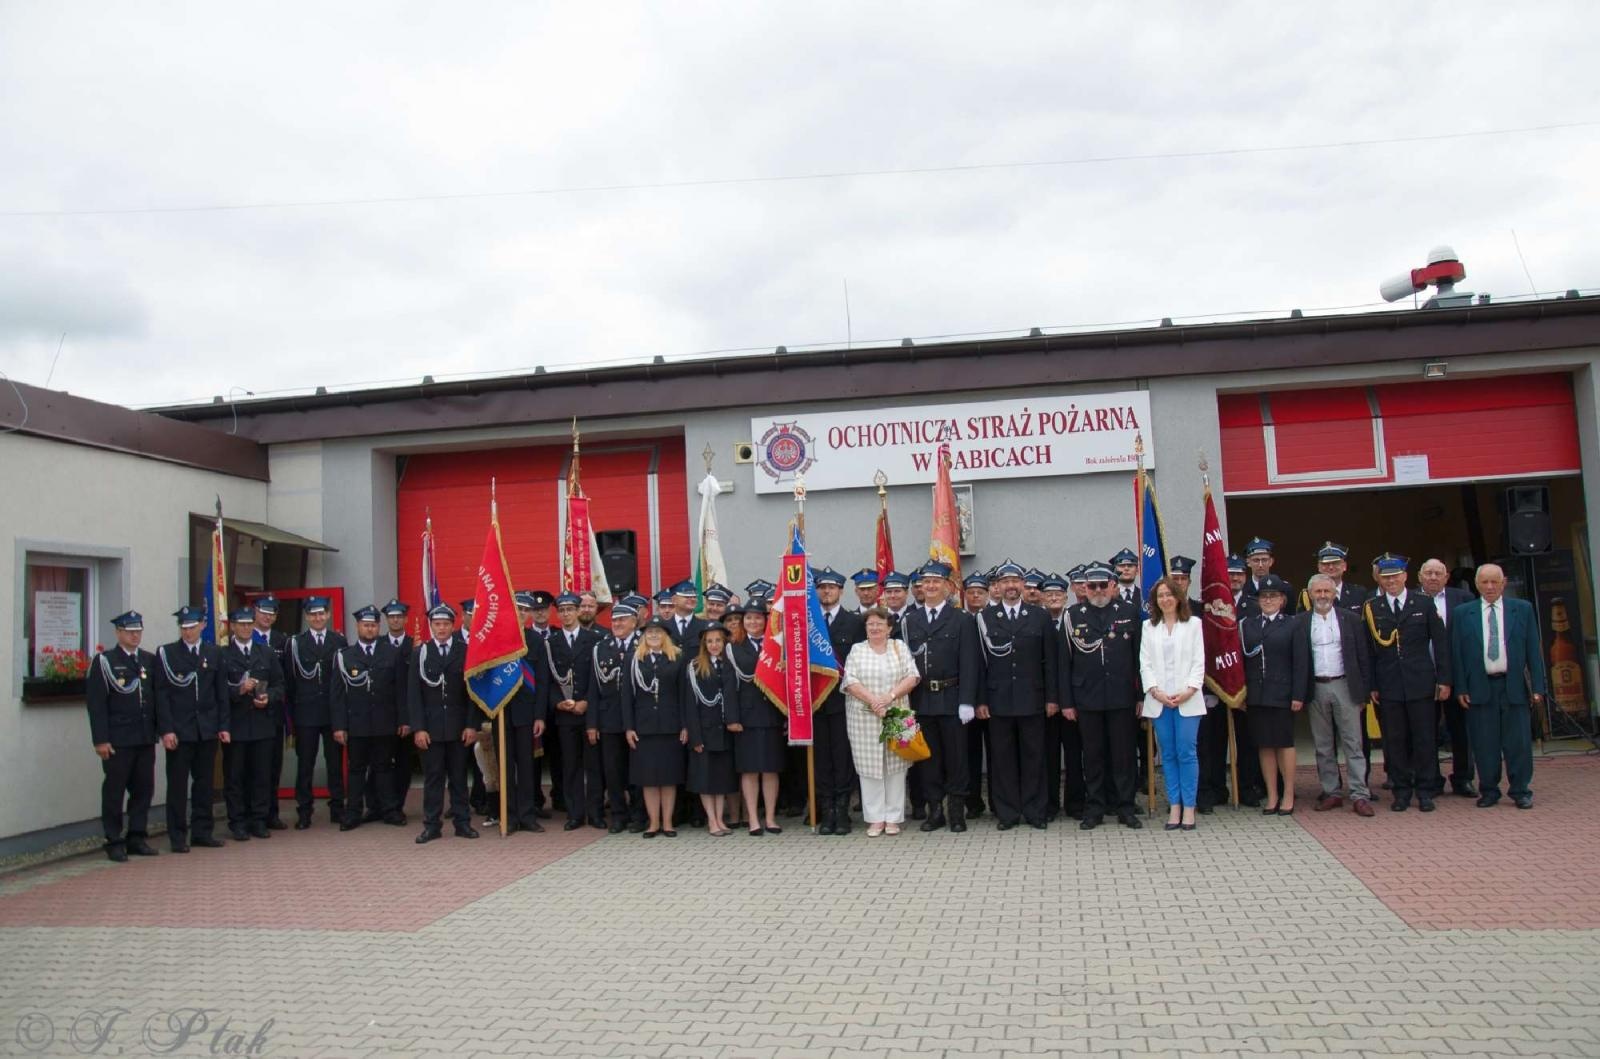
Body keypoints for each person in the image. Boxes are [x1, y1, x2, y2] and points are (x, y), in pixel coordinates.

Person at [1452, 564, 1546, 809]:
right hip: (1480, 687)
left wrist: (1538, 686)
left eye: (1495, 582)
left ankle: (1520, 790)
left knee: (1519, 742)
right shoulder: (1463, 613)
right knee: (1484, 742)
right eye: (1484, 582)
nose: (1490, 587)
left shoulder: (1522, 610)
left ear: (1504, 583)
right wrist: (1461, 687)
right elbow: (1457, 654)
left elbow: (1533, 651)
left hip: (1512, 685)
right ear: (1476, 584)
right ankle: (1489, 790)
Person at [975, 559, 1060, 830]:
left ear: (1023, 585)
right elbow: (979, 664)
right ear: (997, 587)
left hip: (1032, 699)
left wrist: (1052, 698)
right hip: (998, 700)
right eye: (1005, 582)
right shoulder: (985, 618)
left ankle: (1035, 810)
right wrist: (981, 700)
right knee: (1002, 759)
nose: (1011, 586)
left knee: (1035, 756)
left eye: (1015, 581)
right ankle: (1007, 812)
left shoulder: (1040, 616)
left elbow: (1050, 661)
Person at [1365, 553, 1451, 812]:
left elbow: (1440, 642)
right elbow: (1369, 651)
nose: (1391, 581)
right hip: (1389, 685)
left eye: (1395, 576)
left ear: (1405, 576)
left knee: (1425, 738)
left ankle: (1425, 790)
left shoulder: (1422, 603)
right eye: (1386, 577)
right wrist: (1372, 684)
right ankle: (1401, 791)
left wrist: (1444, 679)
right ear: (1380, 578)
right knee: (1395, 740)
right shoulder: (1373, 607)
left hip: (1420, 682)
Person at [1063, 563, 1144, 830]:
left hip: (1122, 697)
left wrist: (1141, 696)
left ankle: (1125, 807)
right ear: (1084, 588)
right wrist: (1067, 702)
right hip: (1087, 698)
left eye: (1102, 585)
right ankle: (1095, 808)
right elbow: (1065, 664)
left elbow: (1138, 659)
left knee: (1123, 756)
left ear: (1113, 586)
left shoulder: (1129, 613)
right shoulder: (1072, 615)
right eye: (1092, 586)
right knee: (1093, 756)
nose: (1097, 590)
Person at [901, 562, 981, 833]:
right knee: (928, 758)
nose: (931, 587)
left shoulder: (962, 620)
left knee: (957, 758)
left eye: (937, 582)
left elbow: (970, 662)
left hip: (952, 697)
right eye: (927, 582)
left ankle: (956, 811)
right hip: (922, 700)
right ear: (921, 587)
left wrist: (967, 700)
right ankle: (935, 810)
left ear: (948, 587)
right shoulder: (910, 621)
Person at [1291, 574, 1377, 817]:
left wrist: (1363, 692)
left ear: (1334, 594)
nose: (1322, 596)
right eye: (1317, 592)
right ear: (1309, 595)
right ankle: (1332, 792)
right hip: (1316, 687)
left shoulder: (1350, 620)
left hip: (1345, 685)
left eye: (1326, 592)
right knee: (1323, 744)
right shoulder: (1300, 622)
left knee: (1353, 743)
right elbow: (1298, 661)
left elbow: (1363, 657)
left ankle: (1360, 794)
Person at [154, 605, 230, 852]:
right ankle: (177, 836)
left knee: (204, 784)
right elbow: (162, 696)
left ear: (202, 626)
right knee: (177, 786)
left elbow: (221, 695)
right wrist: (166, 730)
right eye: (184, 628)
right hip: (180, 730)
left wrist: (223, 726)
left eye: (192, 627)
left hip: (206, 729)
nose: (188, 632)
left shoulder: (214, 653)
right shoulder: (167, 654)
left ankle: (202, 832)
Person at [85, 611, 160, 862]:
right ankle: (113, 839)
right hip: (118, 740)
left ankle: (137, 836)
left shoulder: (148, 660)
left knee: (143, 790)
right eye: (129, 631)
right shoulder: (105, 661)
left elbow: (156, 699)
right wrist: (101, 740)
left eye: (138, 631)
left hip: (144, 737)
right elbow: (97, 705)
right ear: (118, 633)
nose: (135, 635)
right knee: (115, 791)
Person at [841, 607, 920, 837]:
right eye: (870, 624)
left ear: (889, 628)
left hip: (896, 714)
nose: (875, 628)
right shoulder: (857, 650)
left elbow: (912, 676)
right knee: (869, 767)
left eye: (879, 624)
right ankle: (875, 819)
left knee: (896, 766)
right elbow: (850, 680)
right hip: (864, 717)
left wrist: (889, 698)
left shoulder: (899, 647)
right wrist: (874, 701)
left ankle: (894, 818)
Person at [1137, 578, 1205, 831]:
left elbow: (1199, 661)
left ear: (1178, 598)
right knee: (1168, 755)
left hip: (1187, 700)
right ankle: (1174, 805)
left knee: (1186, 752)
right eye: (1160, 596)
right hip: (1160, 700)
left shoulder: (1193, 624)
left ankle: (1189, 807)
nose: (1165, 599)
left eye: (1169, 595)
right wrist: (1155, 691)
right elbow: (1145, 663)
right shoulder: (1148, 626)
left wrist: (1188, 691)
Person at [330, 605, 406, 830]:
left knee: (384, 769)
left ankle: (389, 810)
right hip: (357, 724)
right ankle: (353, 813)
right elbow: (337, 696)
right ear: (358, 627)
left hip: (384, 723)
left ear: (378, 627)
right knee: (356, 771)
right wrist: (339, 726)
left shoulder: (392, 653)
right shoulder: (345, 656)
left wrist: (404, 720)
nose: (370, 629)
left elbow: (400, 691)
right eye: (366, 625)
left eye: (373, 625)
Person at [409, 603, 479, 842]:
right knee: (433, 779)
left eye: (446, 624)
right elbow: (414, 695)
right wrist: (419, 728)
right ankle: (431, 825)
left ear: (453, 625)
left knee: (459, 778)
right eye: (437, 624)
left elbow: (472, 693)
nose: (441, 628)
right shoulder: (421, 653)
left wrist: (471, 725)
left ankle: (462, 823)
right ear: (431, 626)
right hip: (431, 729)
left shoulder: (465, 650)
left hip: (459, 728)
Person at [222, 606, 285, 841]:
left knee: (262, 775)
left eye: (249, 624)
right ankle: (238, 821)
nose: (246, 628)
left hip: (262, 724)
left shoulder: (266, 652)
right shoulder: (224, 654)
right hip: (237, 725)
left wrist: (270, 698)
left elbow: (280, 684)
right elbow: (218, 690)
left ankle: (259, 819)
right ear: (234, 627)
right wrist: (238, 689)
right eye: (242, 624)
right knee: (236, 776)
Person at [623, 618, 689, 837]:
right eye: (649, 632)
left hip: (670, 726)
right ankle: (653, 823)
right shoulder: (634, 659)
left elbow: (684, 694)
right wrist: (629, 727)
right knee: (648, 779)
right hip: (644, 728)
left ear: (665, 636)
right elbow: (626, 696)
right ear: (644, 635)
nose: (653, 635)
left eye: (658, 632)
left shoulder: (677, 658)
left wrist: (685, 724)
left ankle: (668, 822)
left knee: (669, 778)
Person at [285, 596, 347, 828]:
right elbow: (291, 680)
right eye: (313, 614)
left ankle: (337, 808)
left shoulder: (338, 641)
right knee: (305, 765)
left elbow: (342, 680)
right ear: (307, 617)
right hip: (306, 713)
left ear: (328, 615)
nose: (318, 618)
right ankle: (304, 811)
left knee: (334, 764)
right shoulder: (295, 643)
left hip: (332, 713)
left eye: (321, 614)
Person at [813, 567, 866, 835]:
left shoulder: (854, 623)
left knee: (843, 757)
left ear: (841, 592)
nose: (826, 592)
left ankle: (843, 811)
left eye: (831, 588)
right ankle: (827, 810)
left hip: (845, 702)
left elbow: (859, 664)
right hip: (816, 703)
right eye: (822, 587)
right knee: (822, 758)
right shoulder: (809, 623)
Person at [1240, 574, 1300, 814]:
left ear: (1282, 600)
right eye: (1264, 596)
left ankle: (1288, 795)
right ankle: (1272, 795)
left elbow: (1300, 662)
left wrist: (1298, 694)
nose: (1268, 600)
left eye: (1273, 596)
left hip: (1283, 693)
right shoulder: (1248, 625)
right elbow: (1243, 661)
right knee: (1264, 745)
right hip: (1257, 694)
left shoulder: (1293, 624)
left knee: (1284, 743)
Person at [1419, 557, 1477, 798]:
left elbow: (1470, 640)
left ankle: (1463, 778)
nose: (1433, 577)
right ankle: (1431, 779)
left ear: (1446, 577)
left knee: (1461, 730)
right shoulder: (1411, 600)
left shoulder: (1462, 600)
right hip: (1422, 676)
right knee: (1425, 732)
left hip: (1455, 676)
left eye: (1438, 573)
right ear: (1420, 577)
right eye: (1428, 573)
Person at [727, 601, 786, 835]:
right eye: (748, 618)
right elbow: (730, 687)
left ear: (766, 620)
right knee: (749, 770)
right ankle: (752, 819)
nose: (753, 622)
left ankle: (770, 818)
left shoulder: (777, 645)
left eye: (758, 618)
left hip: (772, 714)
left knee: (771, 769)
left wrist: (787, 715)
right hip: (746, 718)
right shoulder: (734, 647)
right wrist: (732, 718)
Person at [545, 591, 601, 830]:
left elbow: (598, 677)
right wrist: (558, 702)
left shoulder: (594, 640)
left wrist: (586, 701)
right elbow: (546, 679)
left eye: (571, 609)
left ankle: (596, 812)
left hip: (588, 713)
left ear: (579, 611)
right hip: (565, 714)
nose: (566, 614)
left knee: (594, 766)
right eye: (562, 610)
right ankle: (575, 814)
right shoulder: (552, 642)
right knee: (571, 766)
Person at [585, 599, 639, 832]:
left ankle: (639, 814)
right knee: (613, 771)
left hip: (638, 720)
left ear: (634, 622)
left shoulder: (644, 644)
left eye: (622, 619)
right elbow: (594, 690)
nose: (617, 623)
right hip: (610, 721)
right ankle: (619, 815)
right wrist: (592, 724)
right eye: (614, 620)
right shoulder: (601, 648)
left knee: (637, 770)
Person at [503, 591, 550, 834]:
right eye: (517, 609)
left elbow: (542, 682)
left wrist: (540, 715)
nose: (521, 613)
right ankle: (509, 815)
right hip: (502, 713)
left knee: (527, 767)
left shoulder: (535, 641)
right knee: (505, 768)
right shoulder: (498, 639)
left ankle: (527, 815)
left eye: (525, 610)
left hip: (526, 714)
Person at [685, 625, 738, 836]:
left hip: (723, 730)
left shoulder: (728, 665)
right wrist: (695, 736)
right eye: (710, 641)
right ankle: (712, 820)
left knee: (720, 778)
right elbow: (690, 704)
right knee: (705, 779)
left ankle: (720, 818)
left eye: (718, 640)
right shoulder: (695, 667)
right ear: (703, 645)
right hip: (704, 730)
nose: (714, 645)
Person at [249, 596, 290, 830]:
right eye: (263, 612)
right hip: (247, 714)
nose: (267, 617)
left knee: (273, 767)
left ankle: (271, 813)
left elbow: (285, 678)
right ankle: (251, 814)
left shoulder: (281, 640)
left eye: (272, 614)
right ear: (255, 612)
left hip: (274, 712)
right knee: (251, 769)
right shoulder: (241, 637)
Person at [379, 598, 415, 822]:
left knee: (404, 764)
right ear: (386, 620)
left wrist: (408, 718)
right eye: (391, 617)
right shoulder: (379, 646)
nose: (395, 620)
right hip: (382, 717)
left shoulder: (415, 645)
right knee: (381, 764)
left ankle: (398, 805)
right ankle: (383, 806)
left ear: (405, 619)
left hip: (407, 715)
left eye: (399, 616)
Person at [1298, 542, 1366, 612]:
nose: (1331, 567)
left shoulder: (1358, 592)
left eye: (1336, 563)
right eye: (1326, 564)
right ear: (1319, 567)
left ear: (1345, 566)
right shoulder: (1309, 594)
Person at [1241, 538, 1295, 615]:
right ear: (1248, 562)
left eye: (1264, 560)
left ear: (1271, 561)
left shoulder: (1285, 588)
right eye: (1256, 560)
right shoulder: (1242, 589)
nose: (1260, 565)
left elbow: (1291, 619)